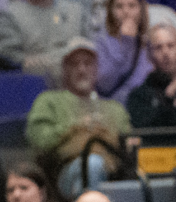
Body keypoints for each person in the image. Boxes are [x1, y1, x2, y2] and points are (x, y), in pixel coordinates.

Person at [29, 38, 133, 193]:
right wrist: (74, 126)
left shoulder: (115, 108)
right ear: (64, 70)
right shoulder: (49, 101)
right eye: (74, 64)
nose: (82, 70)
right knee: (92, 165)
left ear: (96, 69)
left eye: (88, 64)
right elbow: (38, 140)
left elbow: (130, 143)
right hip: (66, 171)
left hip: (114, 172)